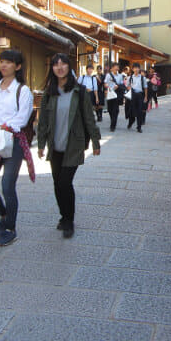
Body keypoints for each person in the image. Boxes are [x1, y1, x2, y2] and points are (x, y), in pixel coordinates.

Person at [37, 53, 101, 238]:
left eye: (63, 64)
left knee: (65, 182)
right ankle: (63, 217)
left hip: (74, 144)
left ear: (69, 67)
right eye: (55, 64)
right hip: (55, 145)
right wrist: (41, 144)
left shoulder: (79, 91)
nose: (59, 67)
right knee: (57, 183)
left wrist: (96, 141)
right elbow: (43, 122)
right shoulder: (49, 92)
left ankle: (69, 220)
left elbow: (89, 119)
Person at [0, 50, 34, 246]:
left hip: (13, 141)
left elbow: (21, 118)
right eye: (2, 61)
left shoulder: (23, 90)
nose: (3, 65)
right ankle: (4, 214)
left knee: (7, 186)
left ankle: (10, 227)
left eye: (8, 62)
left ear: (17, 66)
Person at [126, 63, 148, 133]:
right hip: (132, 96)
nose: (136, 69)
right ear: (132, 69)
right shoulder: (130, 77)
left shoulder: (143, 78)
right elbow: (127, 86)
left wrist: (146, 97)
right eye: (135, 68)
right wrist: (130, 89)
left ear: (139, 69)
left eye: (137, 68)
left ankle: (139, 127)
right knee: (131, 111)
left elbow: (145, 88)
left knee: (140, 111)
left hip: (140, 95)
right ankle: (130, 122)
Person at [104, 63, 124, 132]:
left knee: (115, 110)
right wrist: (107, 86)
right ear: (112, 68)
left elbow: (122, 84)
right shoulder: (108, 75)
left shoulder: (120, 76)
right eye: (115, 67)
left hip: (117, 94)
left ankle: (113, 126)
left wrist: (118, 86)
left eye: (117, 67)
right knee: (110, 109)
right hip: (110, 94)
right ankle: (113, 120)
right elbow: (105, 83)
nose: (116, 68)